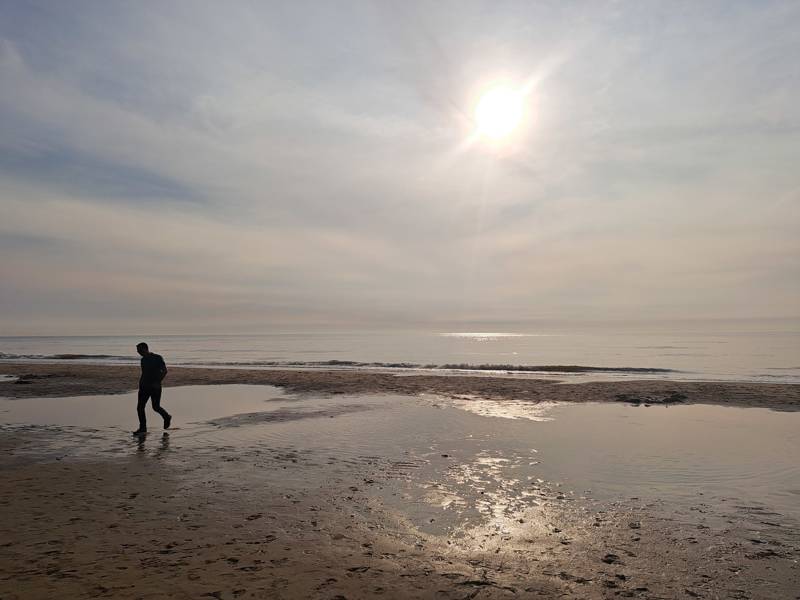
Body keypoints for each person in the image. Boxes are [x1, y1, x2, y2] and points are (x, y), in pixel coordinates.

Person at [133, 342, 172, 435]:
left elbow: (165, 371)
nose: (138, 352)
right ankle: (143, 428)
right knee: (140, 407)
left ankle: (166, 417)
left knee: (156, 407)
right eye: (137, 351)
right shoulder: (143, 360)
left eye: (140, 350)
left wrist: (157, 381)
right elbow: (144, 373)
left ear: (145, 349)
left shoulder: (157, 358)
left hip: (155, 387)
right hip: (143, 387)